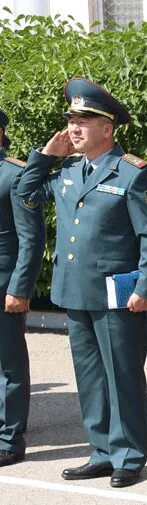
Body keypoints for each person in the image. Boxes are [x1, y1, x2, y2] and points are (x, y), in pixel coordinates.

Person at [19, 79, 147, 488]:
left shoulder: (132, 174)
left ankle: (129, 457)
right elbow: (25, 195)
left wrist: (146, 287)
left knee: (122, 375)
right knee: (90, 376)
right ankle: (101, 451)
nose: (74, 128)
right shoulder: (67, 169)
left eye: (85, 120)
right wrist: (44, 156)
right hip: (75, 289)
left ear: (108, 128)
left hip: (118, 290)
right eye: (71, 120)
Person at [0, 109, 46, 467]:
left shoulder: (14, 175)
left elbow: (31, 239)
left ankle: (9, 439)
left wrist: (20, 288)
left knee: (8, 365)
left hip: (3, 285)